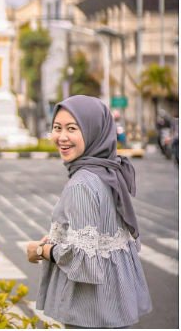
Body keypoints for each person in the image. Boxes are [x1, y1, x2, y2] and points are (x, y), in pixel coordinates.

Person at [26, 95, 152, 328]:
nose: (61, 137)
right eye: (57, 128)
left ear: (94, 130)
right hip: (116, 302)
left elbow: (83, 259)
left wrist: (42, 250)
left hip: (90, 309)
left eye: (72, 128)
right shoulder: (108, 172)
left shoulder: (82, 184)